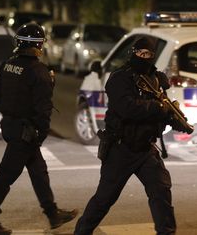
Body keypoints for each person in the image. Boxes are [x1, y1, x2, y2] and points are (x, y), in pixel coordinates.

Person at [0, 22, 78, 235]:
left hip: (11, 127)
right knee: (6, 175)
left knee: (38, 171)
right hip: (26, 132)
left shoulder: (8, 65)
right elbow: (43, 110)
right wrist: (41, 135)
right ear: (38, 45)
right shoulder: (39, 72)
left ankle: (52, 214)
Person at [74, 37, 177, 235]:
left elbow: (161, 110)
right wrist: (157, 107)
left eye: (148, 55)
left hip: (145, 148)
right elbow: (127, 108)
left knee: (161, 190)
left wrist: (171, 116)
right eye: (141, 53)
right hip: (121, 148)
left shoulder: (153, 79)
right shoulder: (120, 77)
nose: (144, 58)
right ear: (133, 53)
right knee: (104, 199)